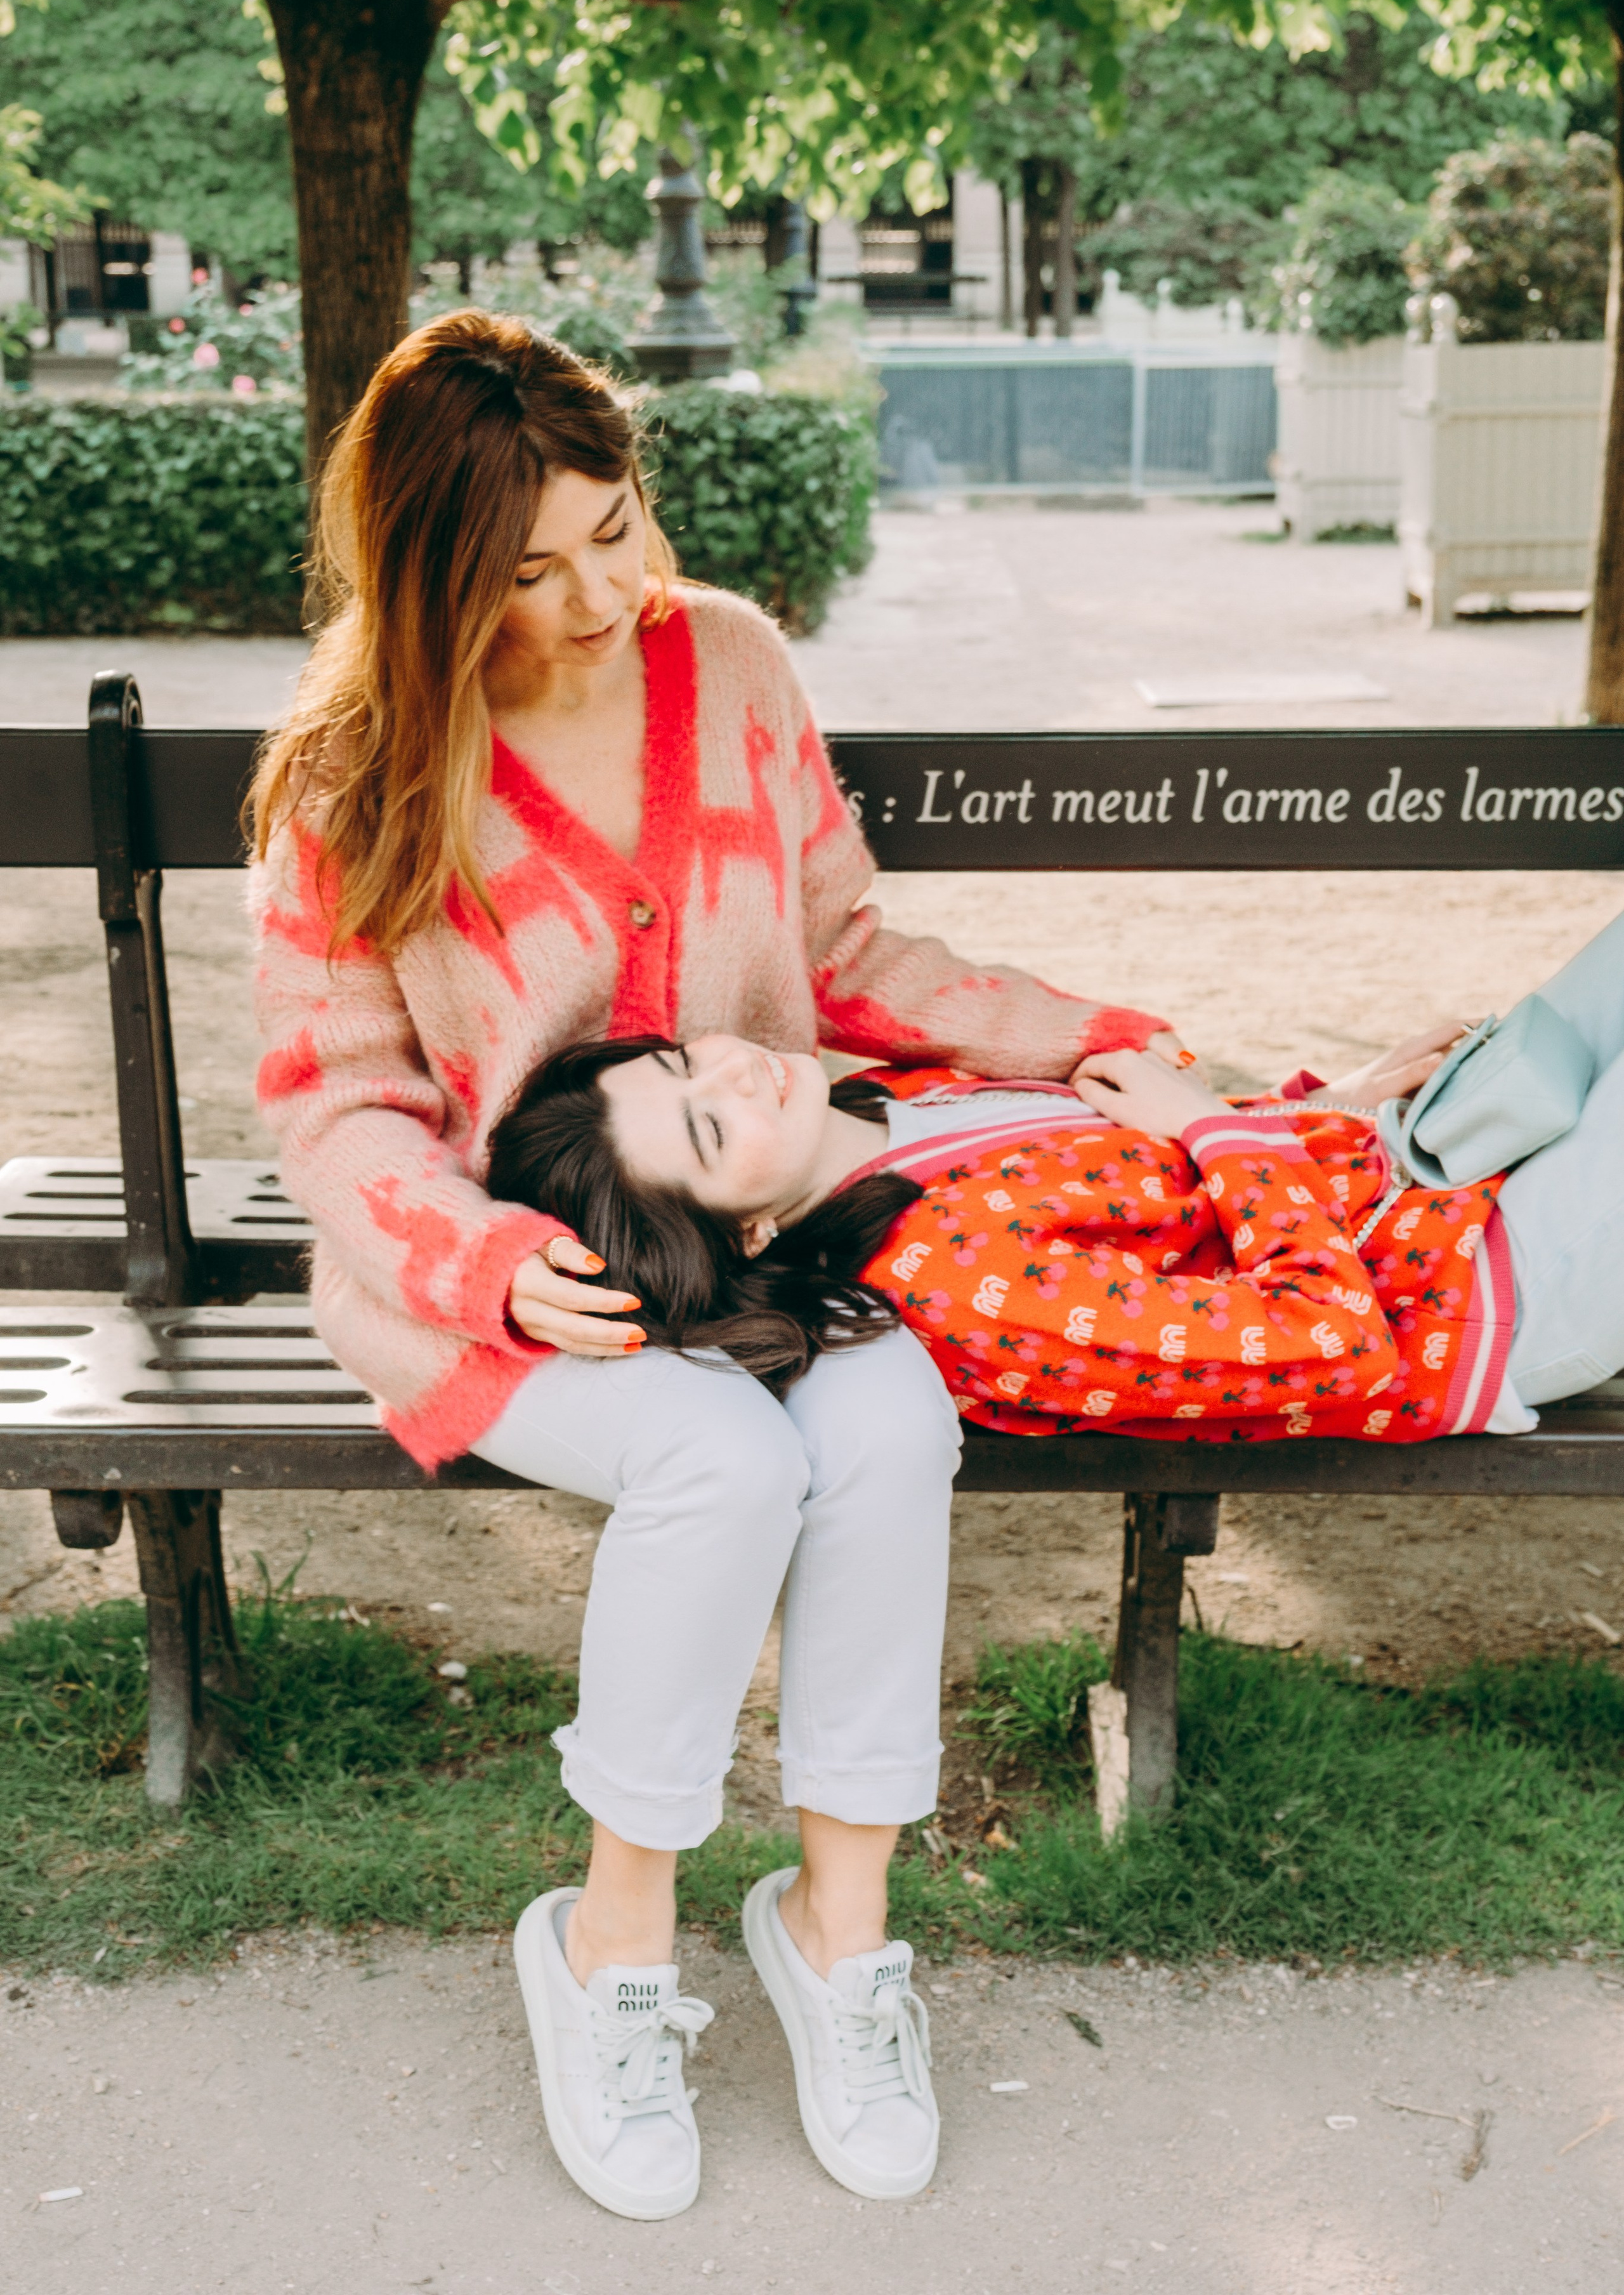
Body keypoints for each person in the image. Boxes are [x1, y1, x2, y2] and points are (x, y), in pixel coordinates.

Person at [248, 308, 1181, 2222]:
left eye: (614, 529)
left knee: (889, 1425)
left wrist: (1082, 1034)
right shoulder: (353, 782)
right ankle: (613, 1946)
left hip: (756, 1250)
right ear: (432, 574)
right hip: (503, 1285)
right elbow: (335, 1109)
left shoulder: (730, 661)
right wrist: (483, 1259)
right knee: (722, 1459)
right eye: (531, 572)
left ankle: (842, 1936)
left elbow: (844, 957)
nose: (602, 596)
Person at [485, 902, 1624, 1454]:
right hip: (1486, 1297)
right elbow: (1331, 1345)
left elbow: (1170, 1182)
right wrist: (1224, 1134)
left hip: (1451, 1158)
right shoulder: (958, 1288)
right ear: (740, 1236)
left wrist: (1330, 1102)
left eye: (683, 1061)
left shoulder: (895, 1101)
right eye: (707, 1129)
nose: (734, 1074)